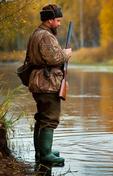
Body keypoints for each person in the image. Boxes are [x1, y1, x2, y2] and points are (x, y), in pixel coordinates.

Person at [26, 4, 72, 166]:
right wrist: (66, 54)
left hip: (40, 82)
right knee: (50, 118)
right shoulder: (45, 36)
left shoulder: (37, 33)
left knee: (42, 118)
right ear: (50, 20)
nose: (59, 23)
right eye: (57, 20)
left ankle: (42, 152)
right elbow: (54, 59)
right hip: (47, 83)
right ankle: (45, 155)